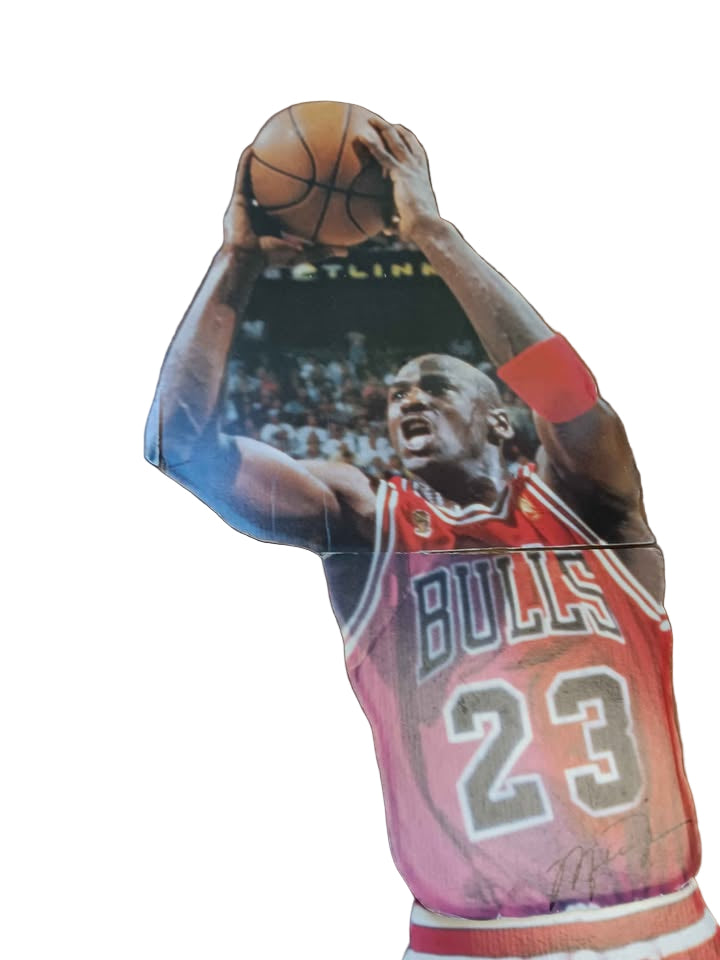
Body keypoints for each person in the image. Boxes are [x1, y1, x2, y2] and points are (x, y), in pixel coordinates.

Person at [146, 117, 719, 958]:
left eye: (433, 387)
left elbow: (569, 398)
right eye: (395, 398)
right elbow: (179, 444)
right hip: (465, 941)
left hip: (663, 930)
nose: (406, 400)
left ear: (500, 418)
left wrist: (434, 236)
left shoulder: (596, 517)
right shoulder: (366, 525)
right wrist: (234, 264)